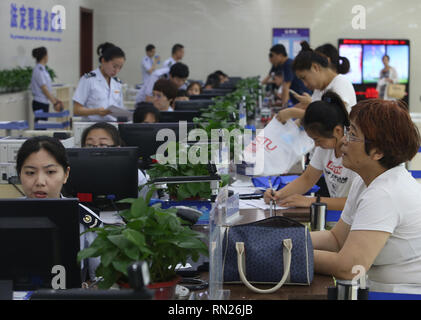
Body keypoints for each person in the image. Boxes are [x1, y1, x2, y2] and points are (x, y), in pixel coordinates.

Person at [311, 99, 421, 294]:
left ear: (377, 152)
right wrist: (286, 240)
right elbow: (336, 239)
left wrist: (289, 255)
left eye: (353, 135)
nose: (344, 140)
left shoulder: (385, 193)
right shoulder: (365, 180)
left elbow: (349, 268)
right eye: (348, 131)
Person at [15, 136, 101, 282]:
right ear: (19, 174)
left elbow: (100, 280)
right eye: (30, 173)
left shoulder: (85, 221)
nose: (40, 182)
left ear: (65, 174)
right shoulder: (7, 215)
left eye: (50, 172)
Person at [264, 91, 356, 211]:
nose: (316, 145)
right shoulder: (326, 147)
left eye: (318, 140)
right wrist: (278, 194)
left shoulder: (356, 155)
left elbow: (354, 202)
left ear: (338, 131)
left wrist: (311, 201)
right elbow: (307, 178)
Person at [277, 42, 357, 123]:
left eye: (304, 78)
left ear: (315, 68)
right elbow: (316, 114)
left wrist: (293, 113)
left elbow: (334, 118)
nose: (305, 84)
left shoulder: (340, 83)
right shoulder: (319, 89)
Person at [80, 122, 150, 195]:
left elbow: (145, 203)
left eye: (103, 145)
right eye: (90, 145)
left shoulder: (136, 175)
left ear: (117, 148)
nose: (95, 150)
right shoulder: (73, 173)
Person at [72, 42, 126, 122]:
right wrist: (96, 111)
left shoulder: (117, 83)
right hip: (92, 125)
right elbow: (76, 109)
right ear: (103, 61)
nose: (116, 71)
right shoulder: (88, 80)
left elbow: (120, 108)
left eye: (120, 67)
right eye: (114, 66)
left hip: (113, 126)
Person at [30, 47, 63, 123]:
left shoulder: (43, 69)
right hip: (39, 103)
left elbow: (47, 88)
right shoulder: (38, 70)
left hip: (44, 102)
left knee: (43, 126)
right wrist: (54, 102)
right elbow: (44, 88)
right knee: (40, 127)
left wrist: (55, 99)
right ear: (45, 56)